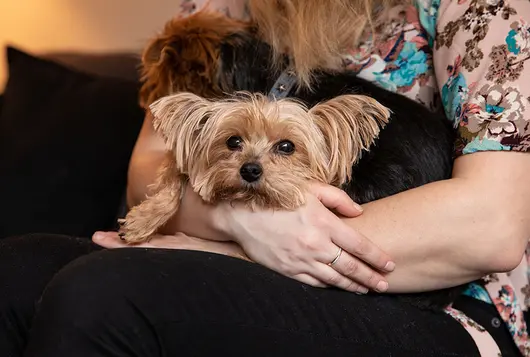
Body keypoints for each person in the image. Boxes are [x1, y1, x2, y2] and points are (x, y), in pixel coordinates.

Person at [2, 0, 530, 356]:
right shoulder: (224, 10)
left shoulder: (480, 11)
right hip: (241, 243)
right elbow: (149, 171)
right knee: (15, 271)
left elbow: (493, 226)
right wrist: (237, 219)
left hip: (449, 307)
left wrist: (243, 246)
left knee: (100, 293)